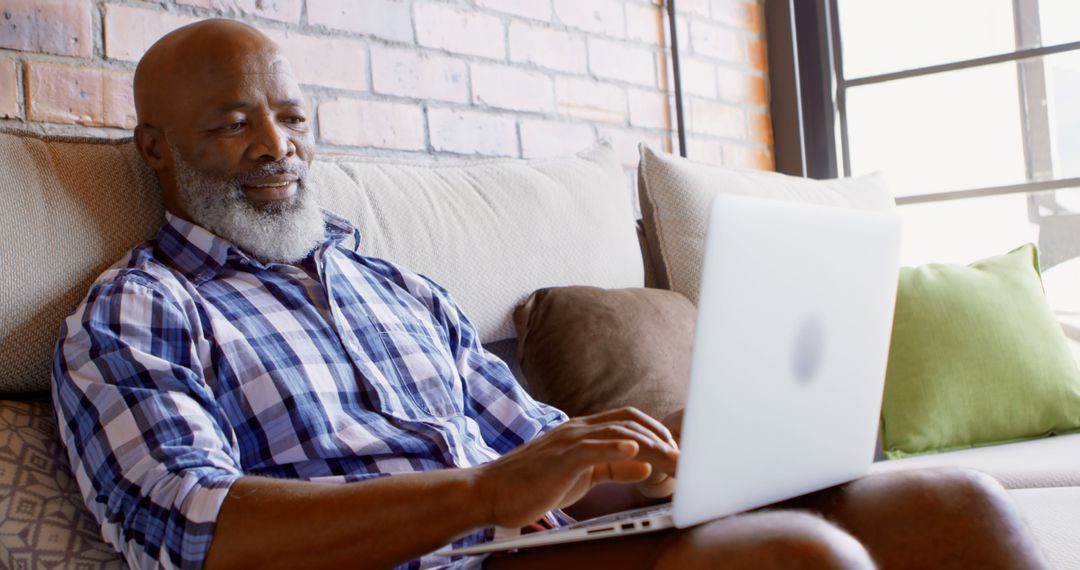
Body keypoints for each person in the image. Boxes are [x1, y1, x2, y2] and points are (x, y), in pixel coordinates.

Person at [51, 18, 1048, 570]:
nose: (277, 148)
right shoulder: (138, 314)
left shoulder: (395, 285)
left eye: (292, 117)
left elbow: (538, 455)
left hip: (539, 550)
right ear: (157, 147)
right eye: (233, 123)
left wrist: (656, 461)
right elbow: (199, 526)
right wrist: (485, 496)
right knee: (793, 561)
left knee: (950, 504)